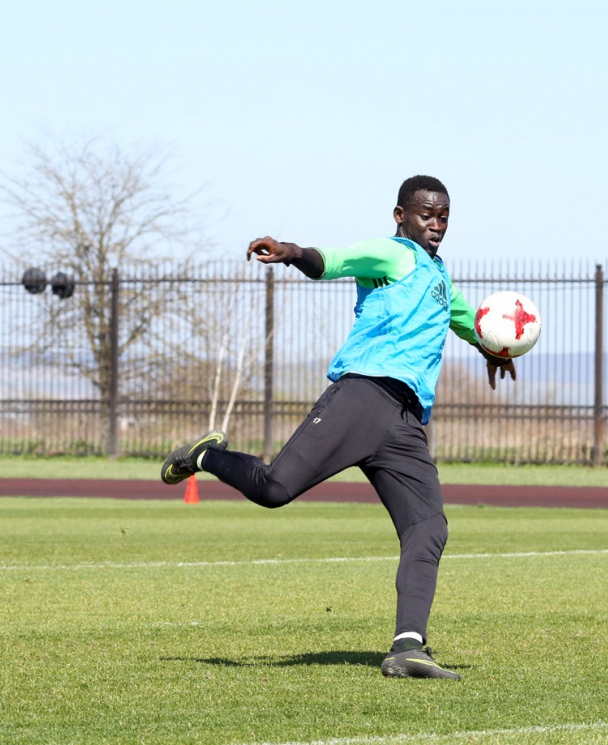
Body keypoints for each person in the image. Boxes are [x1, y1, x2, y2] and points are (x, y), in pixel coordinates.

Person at [161, 176, 515, 679]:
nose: (435, 226)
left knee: (428, 526)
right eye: (425, 215)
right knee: (274, 489)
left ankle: (408, 647)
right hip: (363, 398)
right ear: (400, 216)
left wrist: (492, 348)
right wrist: (290, 251)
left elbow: (467, 321)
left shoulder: (441, 278)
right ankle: (203, 456)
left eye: (442, 218)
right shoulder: (392, 255)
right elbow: (335, 260)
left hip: (406, 422)